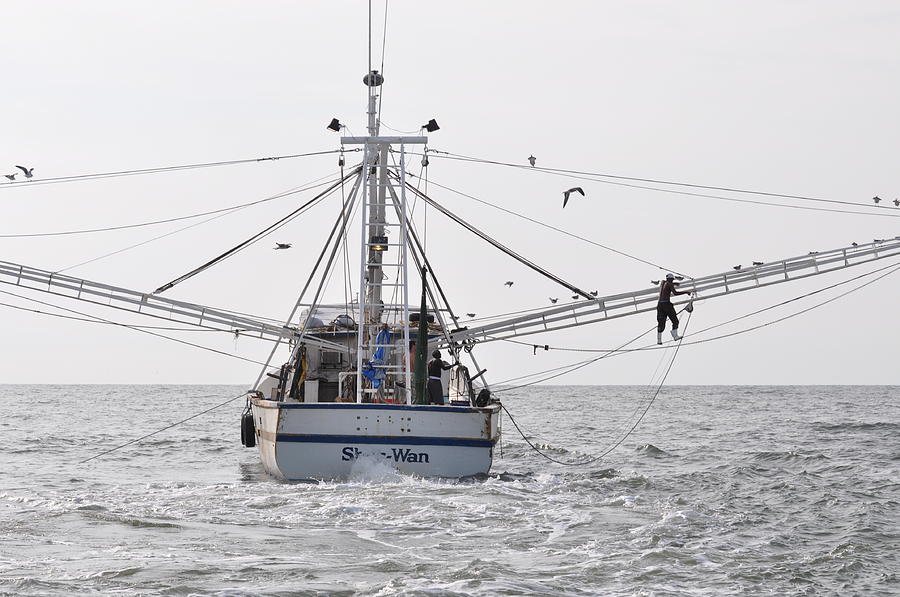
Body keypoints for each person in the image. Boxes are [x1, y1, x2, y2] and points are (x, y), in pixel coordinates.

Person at [657, 273, 691, 345]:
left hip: (660, 305)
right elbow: (675, 293)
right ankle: (675, 336)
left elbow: (667, 284)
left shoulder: (663, 282)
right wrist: (686, 292)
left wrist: (674, 284)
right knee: (675, 321)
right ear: (671, 279)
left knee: (661, 322)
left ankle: (659, 340)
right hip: (666, 305)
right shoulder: (670, 284)